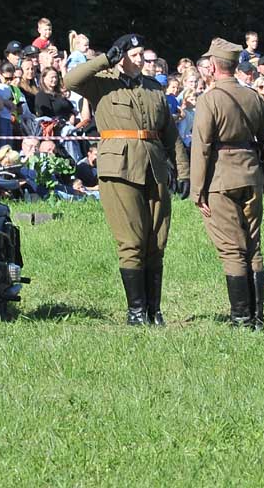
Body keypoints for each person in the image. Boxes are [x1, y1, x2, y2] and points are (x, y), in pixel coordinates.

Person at [64, 33, 189, 326]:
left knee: (156, 240)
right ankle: (135, 312)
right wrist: (106, 58)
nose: (139, 60)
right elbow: (70, 80)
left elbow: (170, 133)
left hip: (154, 166)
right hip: (118, 167)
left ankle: (153, 310)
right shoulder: (102, 82)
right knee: (131, 240)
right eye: (133, 54)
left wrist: (183, 170)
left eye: (142, 55)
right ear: (122, 56)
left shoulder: (153, 87)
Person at [190, 38, 264, 329]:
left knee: (231, 249)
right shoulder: (254, 97)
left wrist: (197, 190)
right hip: (252, 176)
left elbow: (202, 146)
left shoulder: (209, 99)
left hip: (221, 179)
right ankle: (258, 317)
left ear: (213, 66)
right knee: (253, 246)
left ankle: (241, 319)